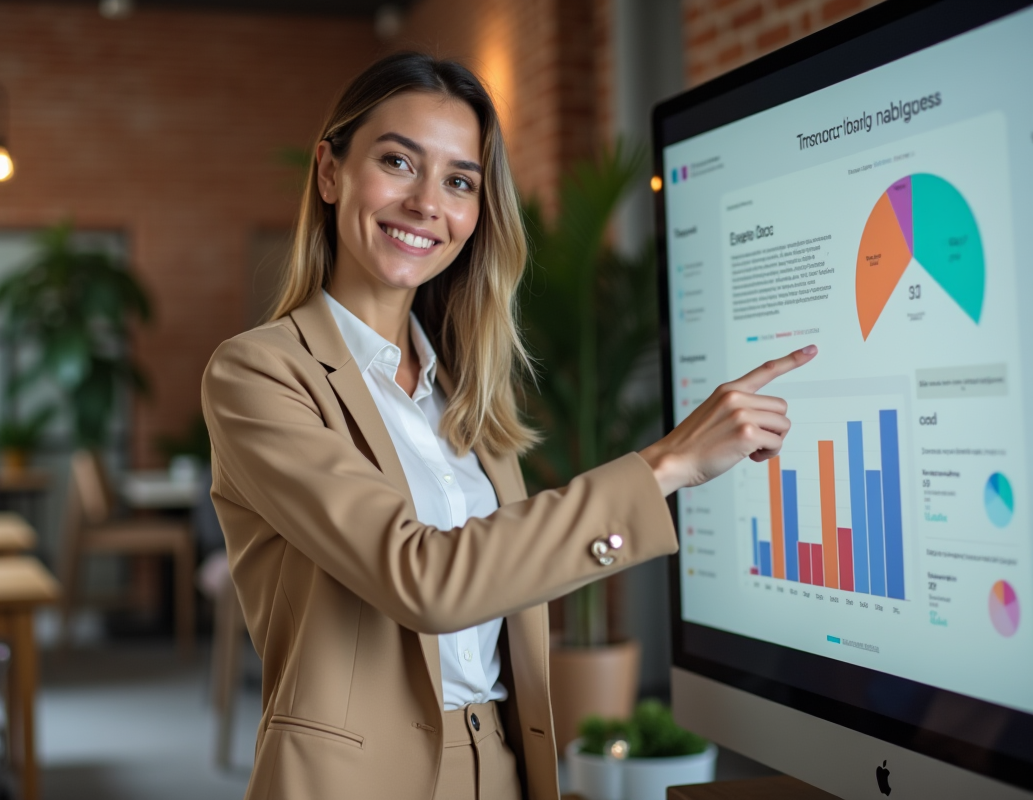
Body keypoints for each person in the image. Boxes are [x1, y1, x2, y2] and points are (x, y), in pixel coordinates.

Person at [200, 51, 814, 800]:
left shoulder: (466, 393)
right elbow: (421, 578)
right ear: (330, 172)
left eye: (460, 181)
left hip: (501, 762)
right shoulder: (259, 374)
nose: (427, 203)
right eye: (398, 162)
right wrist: (665, 467)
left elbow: (503, 578)